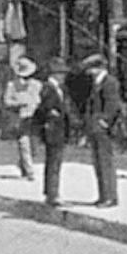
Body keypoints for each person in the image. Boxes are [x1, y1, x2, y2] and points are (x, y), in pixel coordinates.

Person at [81, 53, 122, 208]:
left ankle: (110, 197)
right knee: (98, 162)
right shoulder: (97, 83)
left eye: (91, 69)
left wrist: (104, 121)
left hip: (103, 129)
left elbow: (112, 105)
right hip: (95, 127)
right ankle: (103, 195)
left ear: (98, 68)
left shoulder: (109, 82)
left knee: (105, 162)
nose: (89, 72)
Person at [33, 57, 73, 207]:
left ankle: (51, 191)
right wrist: (51, 113)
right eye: (61, 73)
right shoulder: (48, 88)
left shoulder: (60, 89)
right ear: (55, 74)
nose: (64, 76)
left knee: (55, 162)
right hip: (53, 130)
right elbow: (43, 109)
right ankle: (52, 194)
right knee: (54, 163)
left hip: (60, 129)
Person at [1, 56, 43, 181]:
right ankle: (30, 172)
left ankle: (22, 164)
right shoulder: (12, 85)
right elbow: (6, 101)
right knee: (24, 144)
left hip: (34, 118)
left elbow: (41, 99)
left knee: (34, 147)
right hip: (20, 118)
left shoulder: (37, 85)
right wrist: (18, 103)